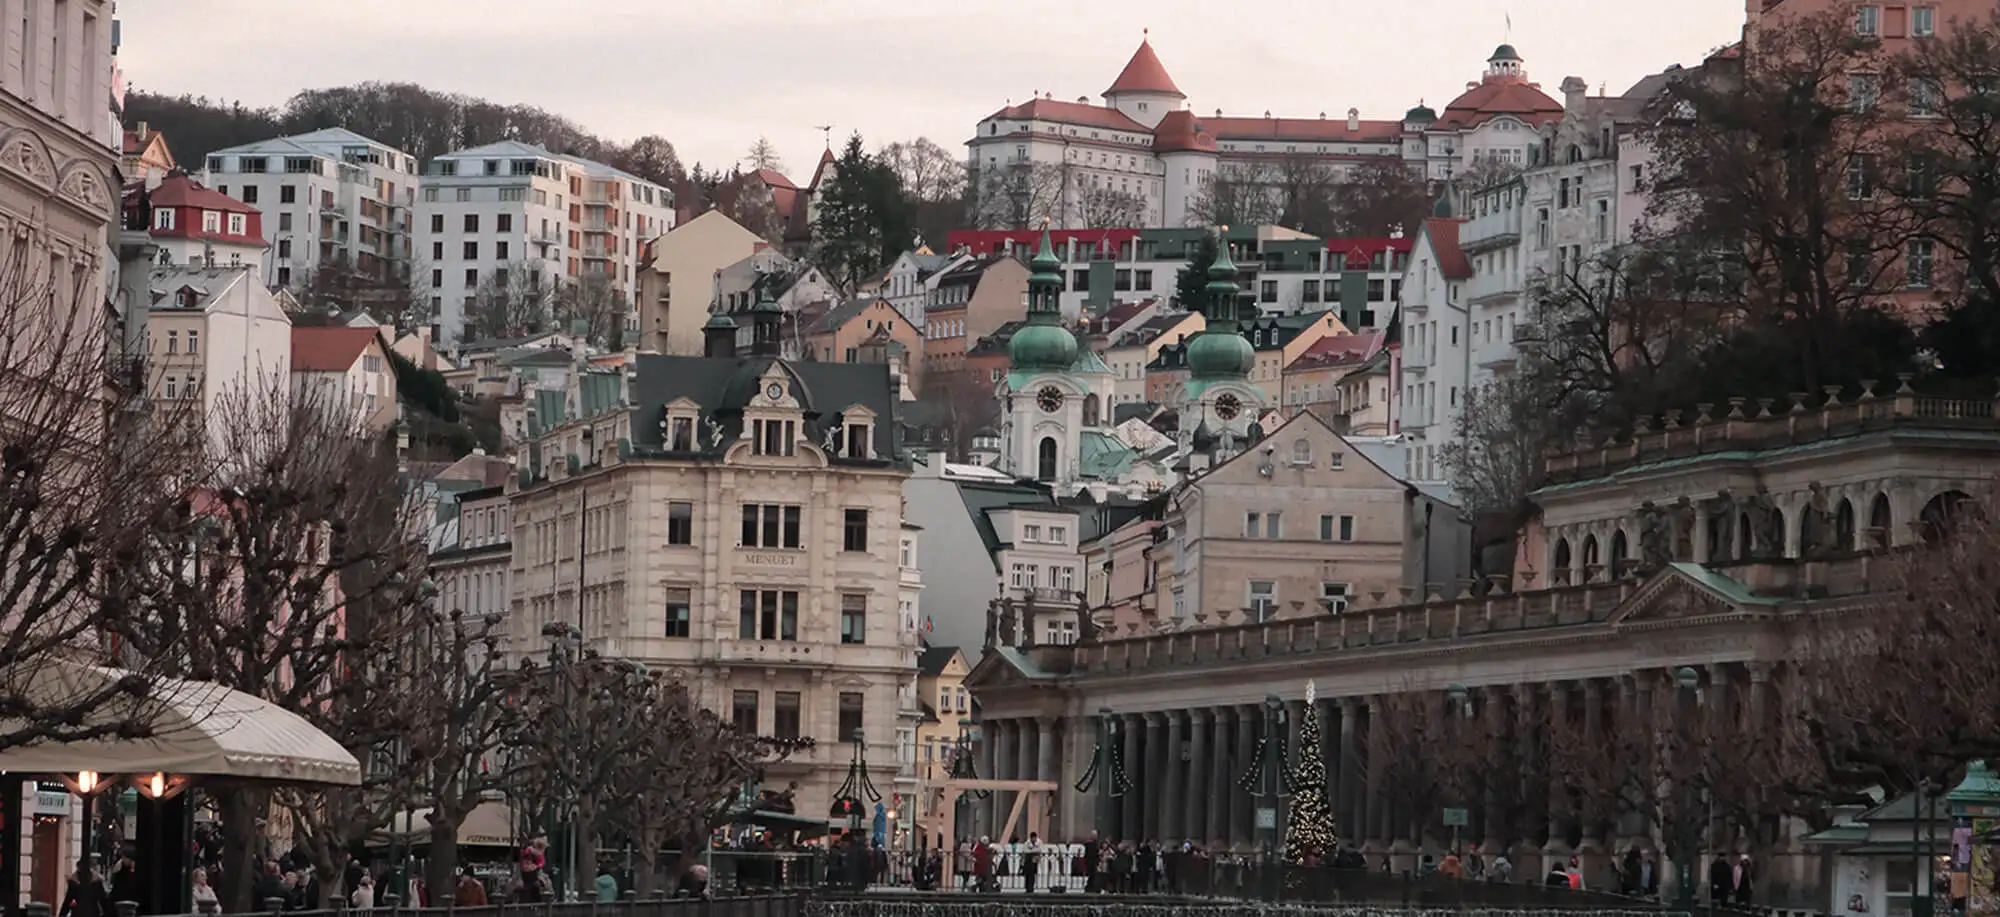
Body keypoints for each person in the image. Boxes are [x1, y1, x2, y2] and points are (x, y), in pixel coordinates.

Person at [518, 834, 548, 903]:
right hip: (529, 876)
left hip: (532, 875)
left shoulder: (532, 853)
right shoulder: (529, 851)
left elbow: (541, 862)